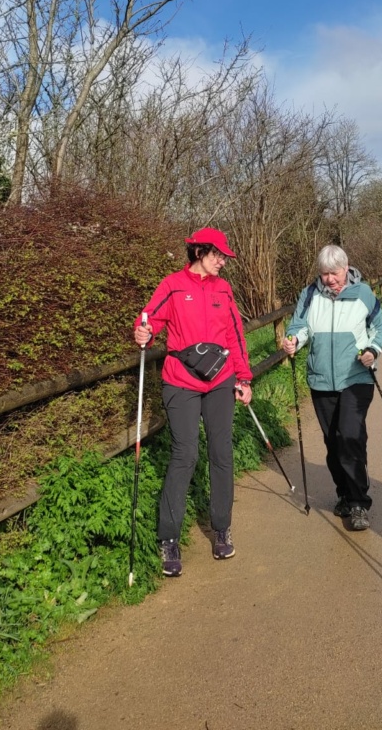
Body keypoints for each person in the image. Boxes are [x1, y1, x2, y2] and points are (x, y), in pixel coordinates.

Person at [133, 227, 252, 577]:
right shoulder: (172, 285)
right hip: (180, 381)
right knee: (185, 454)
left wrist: (243, 377)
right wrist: (143, 331)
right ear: (199, 252)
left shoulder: (223, 289)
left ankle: (221, 528)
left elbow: (235, 334)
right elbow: (149, 318)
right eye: (217, 255)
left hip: (220, 380)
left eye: (224, 257)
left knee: (221, 452)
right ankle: (168, 538)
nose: (222, 262)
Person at [282, 245, 382, 531]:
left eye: (334, 273)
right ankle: (343, 493)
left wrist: (373, 350)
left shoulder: (363, 293)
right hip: (321, 379)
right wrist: (293, 340)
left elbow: (379, 328)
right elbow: (299, 326)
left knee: (350, 436)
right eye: (324, 274)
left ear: (346, 268)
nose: (329, 279)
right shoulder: (309, 294)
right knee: (333, 442)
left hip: (356, 377)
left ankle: (358, 502)